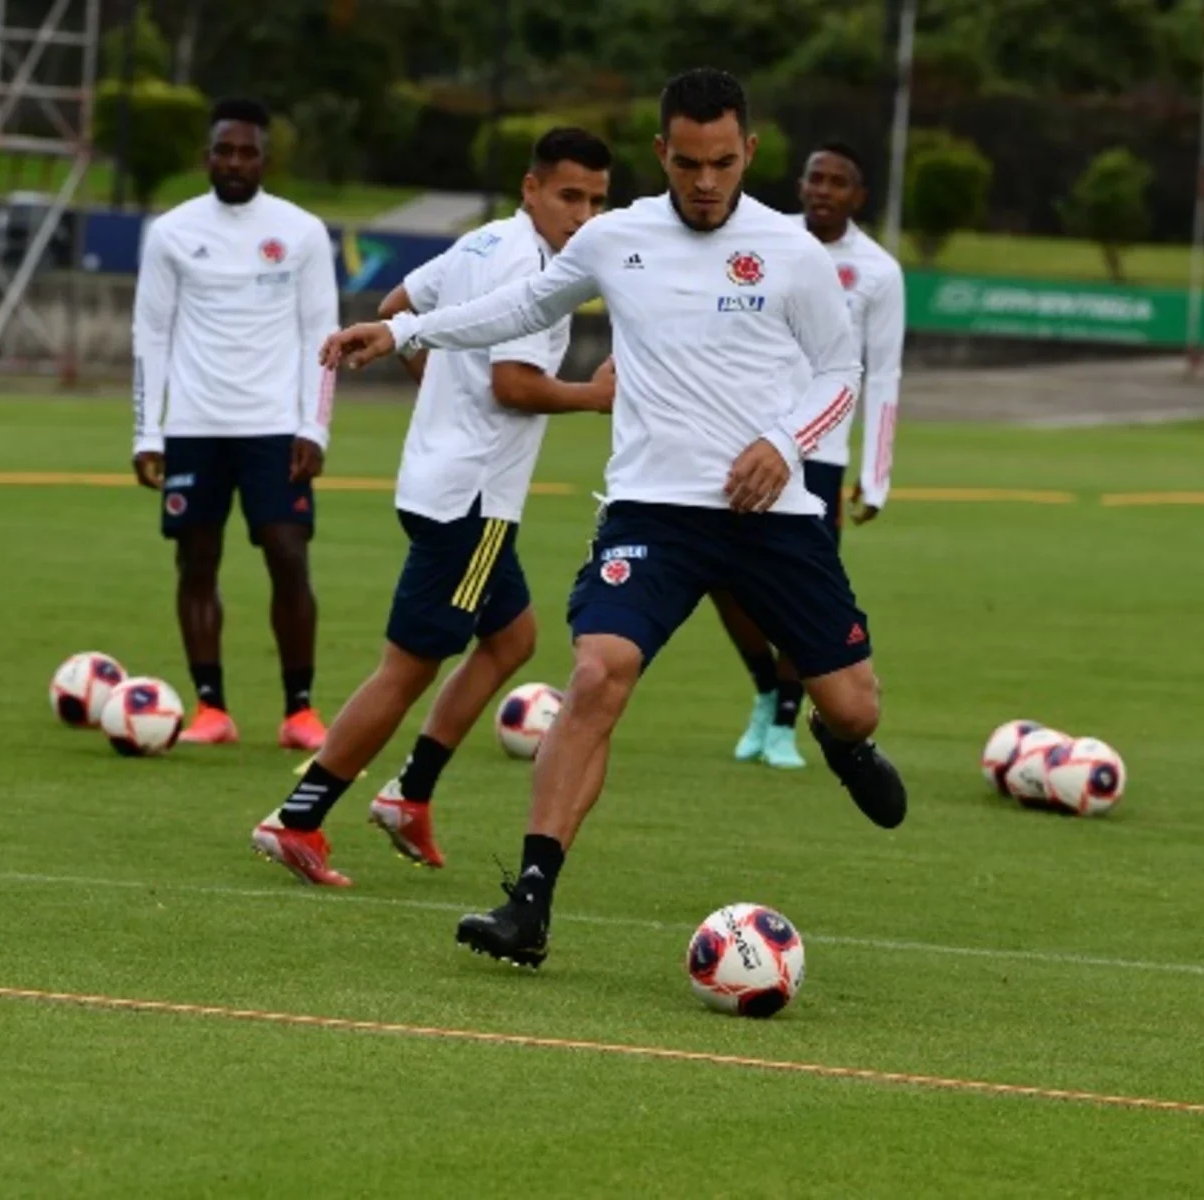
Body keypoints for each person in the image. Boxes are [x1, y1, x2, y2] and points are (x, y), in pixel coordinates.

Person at [321, 67, 907, 969]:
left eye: (721, 162)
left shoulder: (791, 251)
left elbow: (840, 370)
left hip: (770, 509)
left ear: (749, 152)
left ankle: (840, 741)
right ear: (661, 154)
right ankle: (529, 905)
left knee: (855, 706)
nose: (705, 182)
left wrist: (785, 446)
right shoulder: (617, 237)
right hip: (653, 509)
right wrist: (403, 332)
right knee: (597, 673)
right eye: (686, 163)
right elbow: (522, 305)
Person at [250, 128, 615, 887]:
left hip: (434, 480)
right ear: (532, 188)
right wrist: (593, 396)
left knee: (512, 639)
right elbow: (514, 384)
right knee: (406, 668)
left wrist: (442, 398)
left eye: (597, 201)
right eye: (570, 196)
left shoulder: (483, 243)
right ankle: (299, 817)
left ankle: (410, 793)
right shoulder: (540, 272)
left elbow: (395, 306)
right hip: (473, 501)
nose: (583, 215)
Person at [131, 98, 339, 751]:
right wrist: (148, 431)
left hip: (275, 427)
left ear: (265, 159)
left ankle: (300, 710)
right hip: (194, 425)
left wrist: (316, 426)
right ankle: (210, 708)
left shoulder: (301, 232)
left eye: (247, 151)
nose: (235, 162)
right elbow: (151, 334)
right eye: (224, 150)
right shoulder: (170, 233)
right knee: (196, 560)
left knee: (287, 555)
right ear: (207, 157)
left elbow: (322, 333)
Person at [713, 141, 905, 770]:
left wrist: (875, 479)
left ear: (859, 196)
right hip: (746, 439)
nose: (823, 190)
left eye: (838, 182)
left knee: (801, 592)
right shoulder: (764, 241)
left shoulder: (877, 272)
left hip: (818, 455)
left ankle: (785, 721)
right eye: (815, 178)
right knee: (724, 581)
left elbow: (884, 377)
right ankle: (768, 690)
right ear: (799, 185)